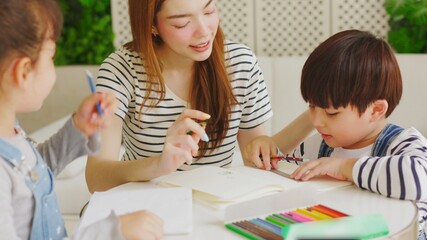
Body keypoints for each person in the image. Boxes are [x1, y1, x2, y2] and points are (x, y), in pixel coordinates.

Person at [0, 0, 203, 239]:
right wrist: (109, 231)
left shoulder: (9, 131)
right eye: (52, 57)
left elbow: (36, 169)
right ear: (23, 72)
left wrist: (77, 128)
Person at [86, 0, 313, 192]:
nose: (204, 31)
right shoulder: (121, 69)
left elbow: (256, 159)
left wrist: (317, 114)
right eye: (182, 22)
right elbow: (96, 178)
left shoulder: (240, 64)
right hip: (145, 205)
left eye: (208, 11)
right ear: (152, 25)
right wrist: (160, 164)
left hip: (214, 205)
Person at [245, 29, 427, 239]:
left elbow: (418, 179)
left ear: (376, 110)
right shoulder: (318, 146)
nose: (316, 121)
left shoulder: (402, 144)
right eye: (312, 107)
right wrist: (267, 153)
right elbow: (283, 172)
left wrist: (344, 168)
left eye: (332, 113)